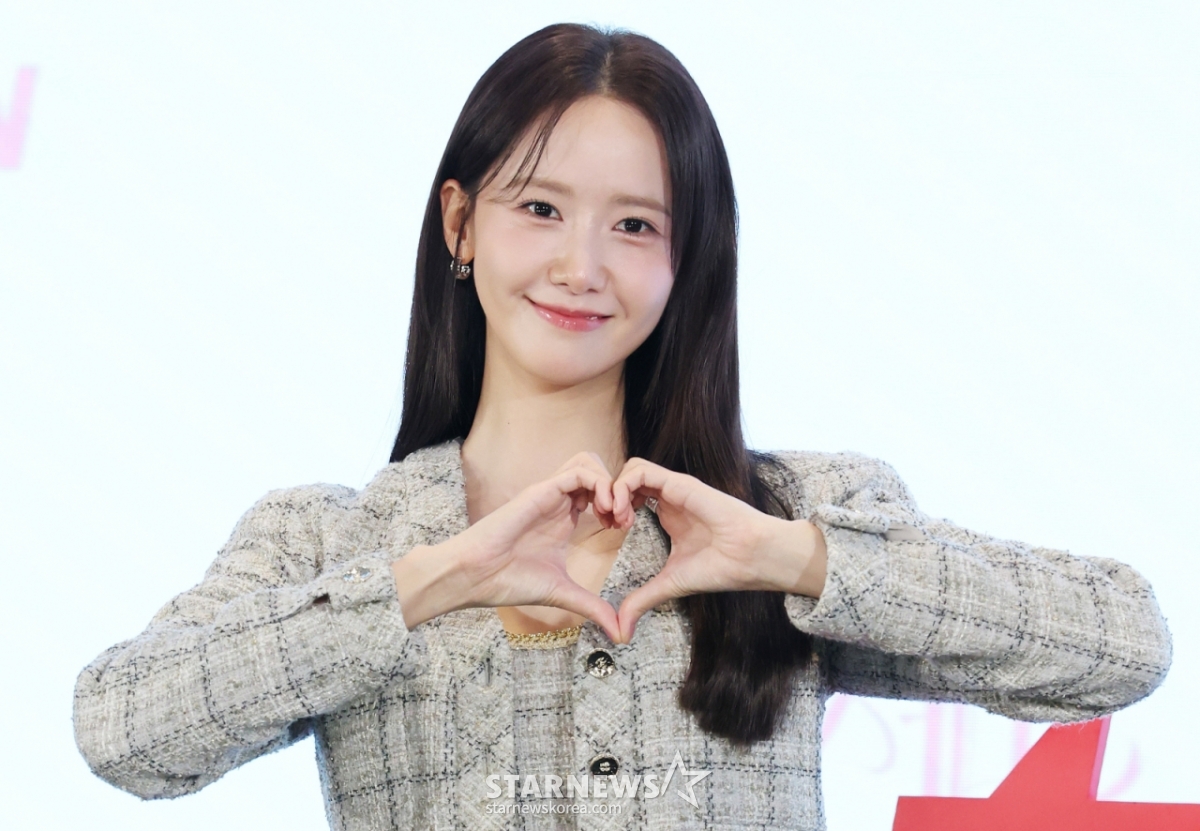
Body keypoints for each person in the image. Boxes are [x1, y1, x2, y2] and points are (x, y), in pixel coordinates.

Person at [72, 22, 1173, 831]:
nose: (580, 266)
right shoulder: (332, 540)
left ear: (688, 259)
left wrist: (797, 558)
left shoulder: (789, 515)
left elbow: (1121, 646)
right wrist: (429, 582)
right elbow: (121, 730)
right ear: (460, 222)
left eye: (636, 226)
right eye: (539, 208)